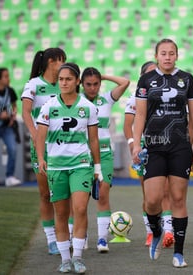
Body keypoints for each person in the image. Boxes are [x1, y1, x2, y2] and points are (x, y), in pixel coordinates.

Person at [132, 38, 193, 268]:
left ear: (177, 55)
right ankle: (156, 231)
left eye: (172, 53)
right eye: (163, 53)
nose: (167, 57)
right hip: (154, 146)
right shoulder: (146, 80)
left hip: (180, 146)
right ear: (156, 55)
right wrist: (136, 144)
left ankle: (178, 253)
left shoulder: (187, 79)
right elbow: (140, 115)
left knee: (178, 198)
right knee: (152, 200)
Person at [36, 62, 101, 273]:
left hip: (81, 164)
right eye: (61, 79)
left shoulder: (89, 107)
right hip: (56, 167)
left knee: (81, 208)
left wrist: (97, 166)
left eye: (68, 79)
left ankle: (78, 257)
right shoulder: (48, 106)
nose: (64, 83)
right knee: (61, 214)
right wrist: (40, 158)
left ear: (77, 82)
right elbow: (40, 136)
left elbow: (93, 140)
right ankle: (65, 259)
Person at [123, 61, 175, 248]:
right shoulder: (134, 98)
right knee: (148, 194)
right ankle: (151, 232)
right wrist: (132, 144)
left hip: (167, 146)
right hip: (145, 149)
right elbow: (127, 125)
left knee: (167, 190)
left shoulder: (172, 94)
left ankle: (169, 231)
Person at [21, 47, 67, 255]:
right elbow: (26, 112)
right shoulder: (34, 85)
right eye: (61, 60)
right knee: (45, 194)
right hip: (42, 148)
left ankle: (67, 236)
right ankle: (51, 239)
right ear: (50, 62)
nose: (64, 64)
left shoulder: (64, 84)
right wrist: (34, 134)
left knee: (65, 194)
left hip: (63, 146)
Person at [80, 67, 130, 252]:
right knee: (80, 198)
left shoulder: (107, 99)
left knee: (103, 194)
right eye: (88, 84)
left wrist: (105, 75)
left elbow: (124, 82)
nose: (93, 88)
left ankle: (102, 239)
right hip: (82, 155)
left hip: (104, 154)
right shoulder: (76, 102)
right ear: (81, 84)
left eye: (96, 83)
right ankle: (81, 236)